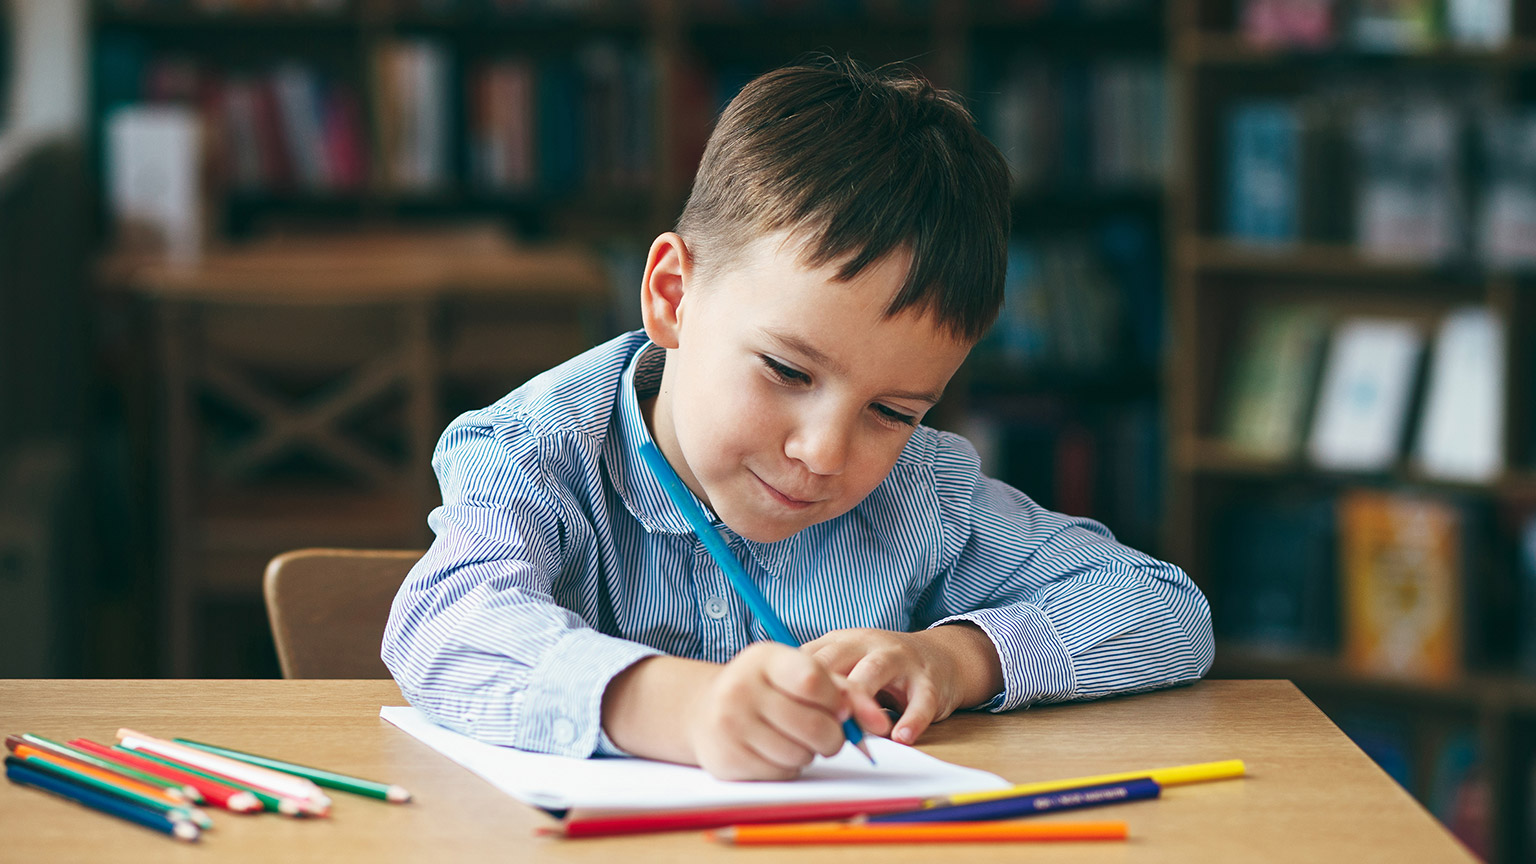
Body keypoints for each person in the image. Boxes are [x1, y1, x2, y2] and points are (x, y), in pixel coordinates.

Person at [382, 56, 1213, 782]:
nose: (824, 452)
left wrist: (956, 658)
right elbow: (444, 628)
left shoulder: (923, 489)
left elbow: (1161, 605)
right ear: (674, 296)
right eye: (787, 370)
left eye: (891, 412)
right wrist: (682, 707)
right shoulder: (534, 454)